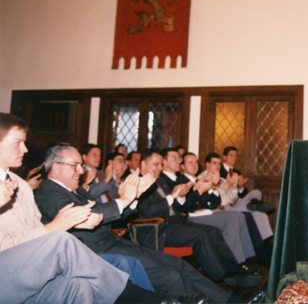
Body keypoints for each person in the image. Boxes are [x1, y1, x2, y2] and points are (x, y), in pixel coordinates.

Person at [35, 143, 262, 303]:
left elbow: (108, 213)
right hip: (98, 253)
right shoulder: (49, 192)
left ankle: (231, 299)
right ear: (56, 166)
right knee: (171, 275)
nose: (81, 170)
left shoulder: (72, 190)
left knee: (180, 266)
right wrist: (127, 198)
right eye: (75, 165)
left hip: (118, 243)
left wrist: (131, 199)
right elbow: (85, 216)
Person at [0, 113, 180, 303]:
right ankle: (153, 301)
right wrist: (55, 226)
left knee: (80, 285)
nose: (25, 149)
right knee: (62, 241)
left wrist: (129, 198)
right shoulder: (45, 190)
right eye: (17, 143)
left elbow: (36, 229)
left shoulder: (20, 184)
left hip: (31, 262)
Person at [137, 149, 261, 288]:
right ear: (143, 165)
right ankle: (224, 279)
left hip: (176, 221)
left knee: (213, 231)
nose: (159, 168)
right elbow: (149, 211)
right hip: (158, 229)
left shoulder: (159, 182)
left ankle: (234, 270)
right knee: (200, 236)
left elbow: (177, 206)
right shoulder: (138, 183)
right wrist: (174, 196)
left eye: (160, 165)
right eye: (156, 164)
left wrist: (181, 196)